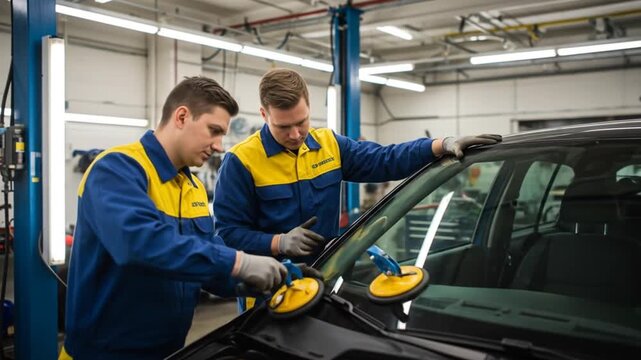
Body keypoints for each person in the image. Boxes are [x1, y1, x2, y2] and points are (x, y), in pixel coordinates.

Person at [62, 76, 312, 360]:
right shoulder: (118, 169)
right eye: (214, 130)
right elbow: (139, 243)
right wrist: (240, 263)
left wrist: (269, 278)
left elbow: (203, 264)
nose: (219, 146)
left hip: (171, 351)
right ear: (182, 116)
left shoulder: (192, 188)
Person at [213, 68, 502, 266]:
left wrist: (438, 145)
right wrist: (278, 243)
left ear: (309, 107)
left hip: (325, 272)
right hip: (267, 285)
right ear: (264, 114)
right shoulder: (241, 161)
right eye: (283, 126)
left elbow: (384, 159)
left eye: (301, 122)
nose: (295, 134)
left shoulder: (329, 145)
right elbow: (227, 233)